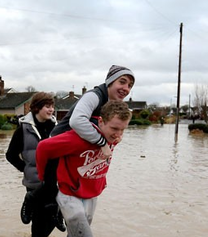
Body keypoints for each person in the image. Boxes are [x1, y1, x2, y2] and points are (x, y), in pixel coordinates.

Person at [36, 100, 132, 237]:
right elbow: (43, 147)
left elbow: (106, 149)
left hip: (91, 195)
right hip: (69, 196)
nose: (118, 135)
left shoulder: (113, 137)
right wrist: (43, 179)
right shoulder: (76, 138)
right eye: (114, 129)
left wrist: (102, 179)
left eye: (123, 130)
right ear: (101, 122)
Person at [34, 65, 135, 228]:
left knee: (70, 188)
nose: (126, 88)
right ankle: (32, 199)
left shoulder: (112, 104)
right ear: (109, 82)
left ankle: (60, 214)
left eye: (130, 85)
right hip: (60, 143)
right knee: (50, 188)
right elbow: (77, 121)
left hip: (78, 149)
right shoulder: (94, 96)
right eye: (122, 82)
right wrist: (102, 143)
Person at [5, 92, 63, 237]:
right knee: (38, 217)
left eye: (52, 106)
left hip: (54, 181)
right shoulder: (23, 130)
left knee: (53, 217)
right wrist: (26, 169)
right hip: (35, 182)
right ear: (37, 108)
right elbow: (10, 155)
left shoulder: (57, 128)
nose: (51, 110)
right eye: (47, 106)